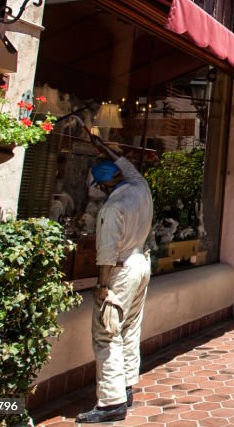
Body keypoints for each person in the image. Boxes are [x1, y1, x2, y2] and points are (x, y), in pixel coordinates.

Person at [76, 135, 153, 424]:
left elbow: (106, 254)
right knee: (130, 328)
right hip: (141, 263)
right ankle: (126, 384)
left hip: (121, 270)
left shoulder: (112, 208)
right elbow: (128, 166)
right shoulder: (141, 188)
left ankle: (111, 401)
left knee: (107, 333)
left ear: (105, 185)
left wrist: (103, 287)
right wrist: (103, 146)